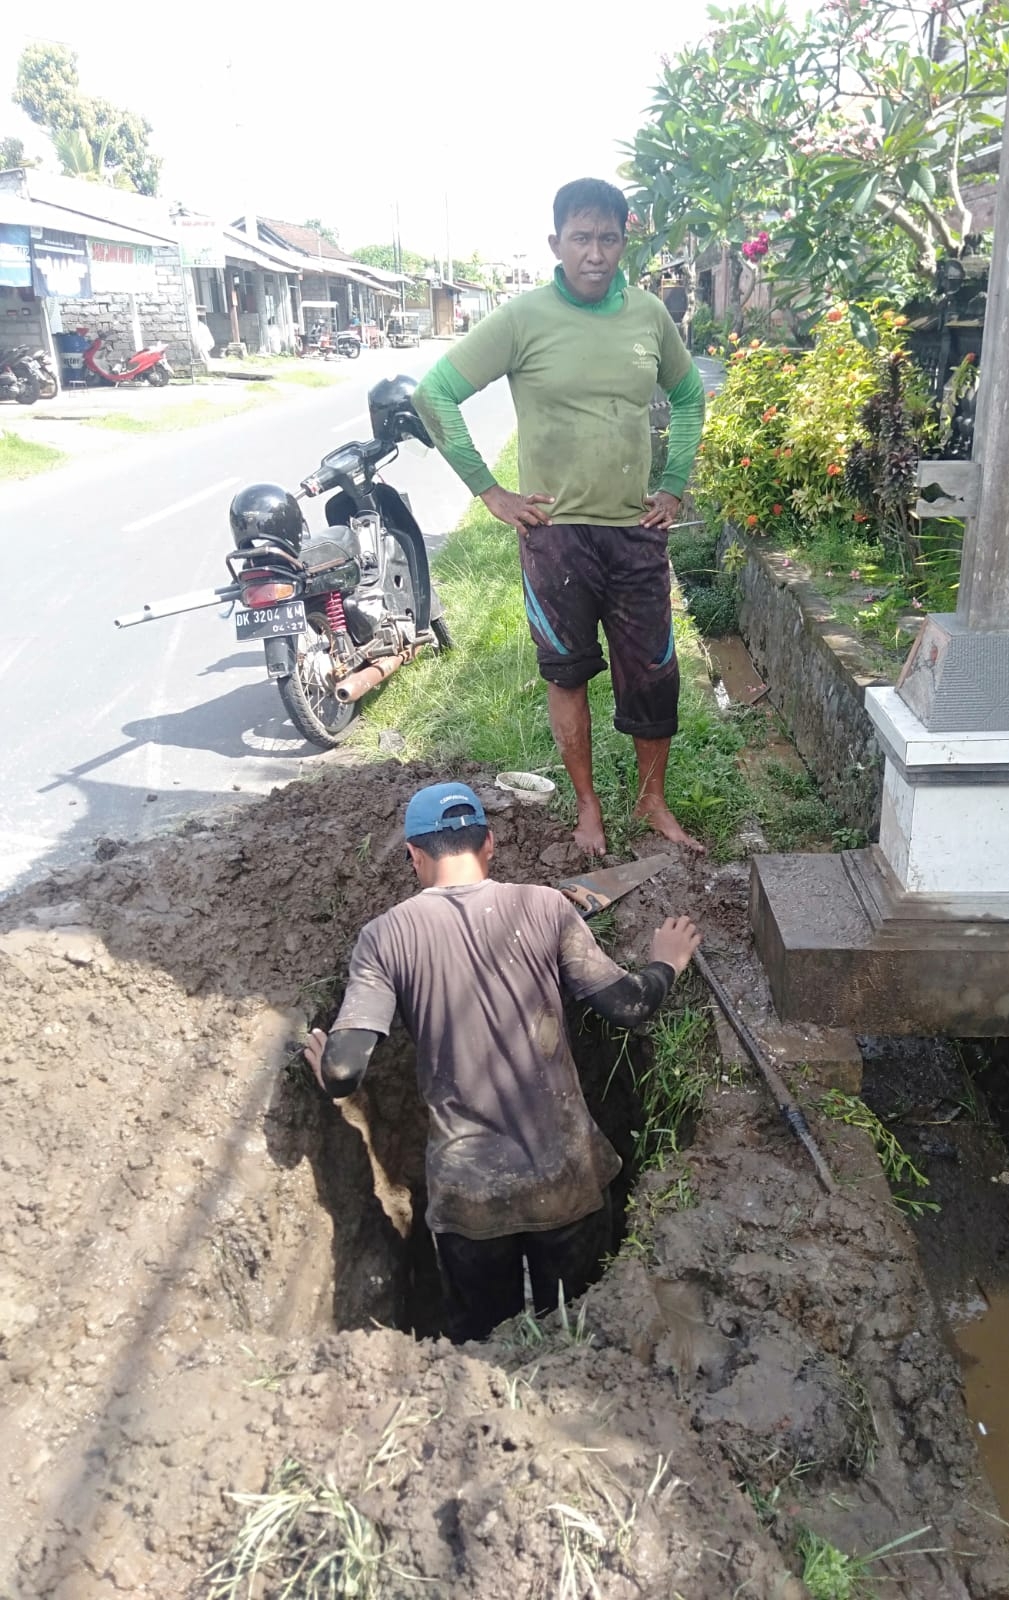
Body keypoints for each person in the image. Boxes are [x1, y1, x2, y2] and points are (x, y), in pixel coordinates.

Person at [303, 780, 702, 1344]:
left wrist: (326, 1071)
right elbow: (628, 1004)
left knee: (478, 1343)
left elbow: (345, 1069)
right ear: (489, 844)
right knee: (580, 1333)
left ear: (414, 855)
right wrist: (667, 962)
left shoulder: (384, 938)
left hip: (471, 1200)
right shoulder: (545, 906)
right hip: (567, 1182)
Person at [413, 178, 707, 857]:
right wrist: (489, 491)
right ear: (556, 243)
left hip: (636, 534)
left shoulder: (647, 317)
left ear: (623, 242)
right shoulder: (523, 319)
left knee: (655, 673)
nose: (595, 253)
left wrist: (672, 484)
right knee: (567, 673)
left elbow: (689, 397)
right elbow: (436, 395)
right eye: (581, 237)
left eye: (607, 238)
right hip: (555, 539)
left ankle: (652, 802)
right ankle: (587, 809)